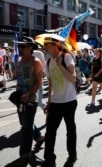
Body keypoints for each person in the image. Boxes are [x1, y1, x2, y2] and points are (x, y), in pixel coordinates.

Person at [42, 35, 78, 167]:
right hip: (56, 102)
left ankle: (72, 155)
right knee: (50, 131)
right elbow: (50, 84)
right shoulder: (48, 62)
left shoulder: (66, 57)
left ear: (54, 45)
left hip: (69, 101)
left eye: (46, 45)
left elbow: (73, 78)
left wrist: (60, 66)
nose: (44, 47)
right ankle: (49, 158)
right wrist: (49, 102)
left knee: (70, 129)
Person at [11, 37, 43, 166]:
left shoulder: (36, 62)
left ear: (30, 48)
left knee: (26, 128)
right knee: (23, 122)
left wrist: (28, 93)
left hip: (30, 99)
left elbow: (39, 81)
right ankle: (39, 136)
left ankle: (25, 154)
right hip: (19, 98)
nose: (20, 49)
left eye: (23, 46)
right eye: (19, 46)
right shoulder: (18, 61)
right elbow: (18, 79)